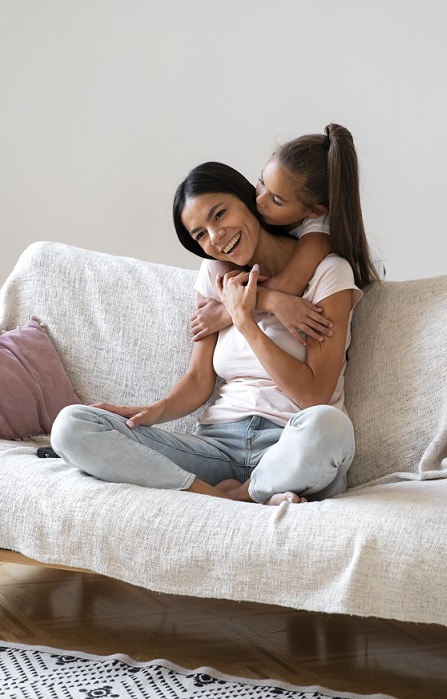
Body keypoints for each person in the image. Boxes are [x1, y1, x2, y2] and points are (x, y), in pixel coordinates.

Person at [50, 162, 363, 505]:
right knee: (71, 425)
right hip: (217, 449)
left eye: (219, 214)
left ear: (250, 202)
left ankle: (240, 497)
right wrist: (152, 411)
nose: (215, 237)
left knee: (331, 427)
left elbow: (314, 396)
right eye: (200, 234)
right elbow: (200, 379)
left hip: (293, 447)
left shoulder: (328, 272)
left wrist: (244, 320)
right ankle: (220, 496)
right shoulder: (213, 277)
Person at [190, 123, 380, 345]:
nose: (258, 201)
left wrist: (225, 312)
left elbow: (289, 284)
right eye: (262, 182)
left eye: (276, 201)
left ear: (315, 211)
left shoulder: (320, 232)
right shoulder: (271, 211)